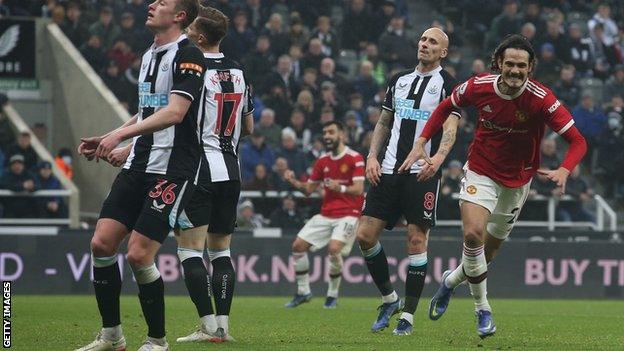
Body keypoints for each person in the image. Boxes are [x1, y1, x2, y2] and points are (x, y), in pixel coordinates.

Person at [417, 34, 587, 338]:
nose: (515, 70)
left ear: (530, 66)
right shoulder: (478, 86)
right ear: (499, 63)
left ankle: (449, 282)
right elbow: (445, 107)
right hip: (481, 172)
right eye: (510, 63)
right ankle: (483, 310)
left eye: (522, 65)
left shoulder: (541, 99)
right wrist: (422, 141)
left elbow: (577, 141)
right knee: (473, 235)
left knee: (486, 255)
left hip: (517, 182)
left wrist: (564, 168)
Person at [74, 1, 206, 350]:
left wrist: (121, 137)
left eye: (162, 2)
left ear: (179, 16)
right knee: (101, 243)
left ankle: (157, 341)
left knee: (138, 254)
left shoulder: (189, 55)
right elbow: (148, 111)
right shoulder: (149, 54)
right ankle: (112, 336)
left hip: (173, 170)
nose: (151, 4)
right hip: (140, 164)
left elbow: (176, 112)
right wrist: (112, 136)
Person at [355, 27, 461, 336]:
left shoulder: (447, 84)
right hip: (386, 169)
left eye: (433, 43)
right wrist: (371, 157)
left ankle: (408, 317)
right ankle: (389, 299)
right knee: (364, 235)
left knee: (416, 239)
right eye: (423, 40)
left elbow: (451, 128)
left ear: (443, 52)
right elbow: (384, 122)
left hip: (422, 172)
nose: (425, 45)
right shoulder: (398, 80)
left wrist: (439, 158)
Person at [174, 6, 253, 343]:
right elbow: (247, 126)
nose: (186, 32)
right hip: (231, 170)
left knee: (189, 251)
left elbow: (176, 115)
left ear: (200, 37)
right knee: (221, 252)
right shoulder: (239, 71)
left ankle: (207, 327)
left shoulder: (193, 69)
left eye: (190, 28)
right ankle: (223, 327)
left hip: (200, 170)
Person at [283, 120, 365, 309]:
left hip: (349, 213)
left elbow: (359, 188)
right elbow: (308, 190)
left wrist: (340, 187)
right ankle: (303, 292)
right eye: (325, 133)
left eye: (331, 132)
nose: (327, 136)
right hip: (327, 213)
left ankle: (332, 295)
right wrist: (292, 181)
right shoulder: (322, 161)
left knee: (334, 249)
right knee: (297, 246)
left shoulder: (355, 158)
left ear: (342, 135)